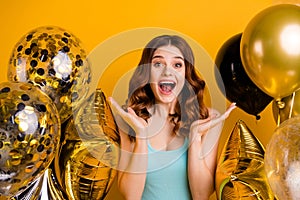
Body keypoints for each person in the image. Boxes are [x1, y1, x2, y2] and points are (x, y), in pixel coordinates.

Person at [109, 35, 236, 200]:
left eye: (177, 64)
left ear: (185, 74)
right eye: (158, 64)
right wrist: (141, 136)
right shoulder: (130, 118)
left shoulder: (208, 118)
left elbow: (201, 195)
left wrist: (195, 137)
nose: (167, 71)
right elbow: (130, 195)